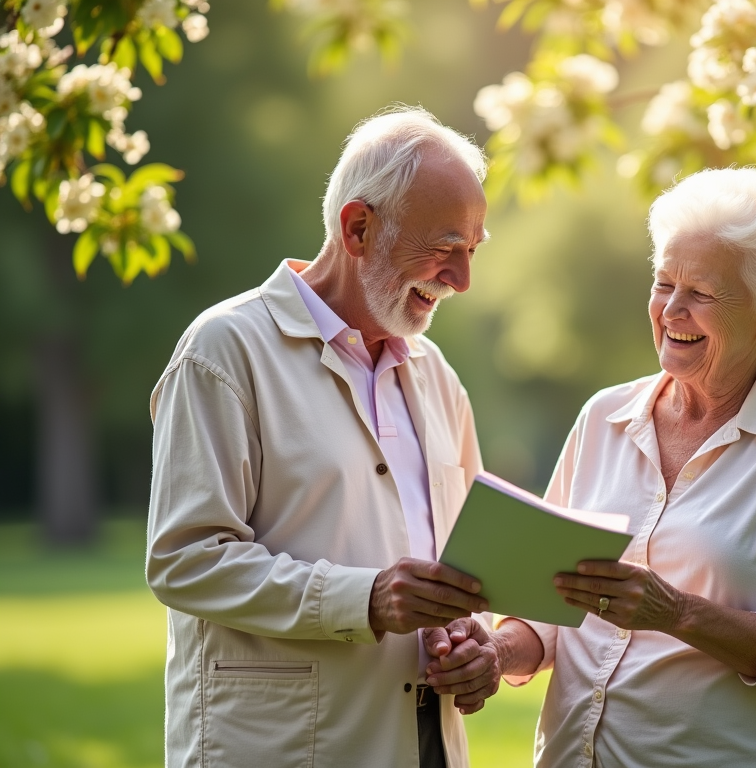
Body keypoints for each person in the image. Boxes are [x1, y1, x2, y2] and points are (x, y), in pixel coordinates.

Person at [427, 167, 756, 767]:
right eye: (664, 285)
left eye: (703, 294)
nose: (672, 311)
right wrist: (499, 650)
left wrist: (678, 613)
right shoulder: (602, 416)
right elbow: (550, 606)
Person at [146, 106, 500, 768]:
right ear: (358, 227)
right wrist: (364, 598)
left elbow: (464, 566)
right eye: (445, 248)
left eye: (472, 252)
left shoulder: (437, 376)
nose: (461, 279)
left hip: (428, 746)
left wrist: (476, 644)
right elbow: (184, 561)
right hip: (285, 748)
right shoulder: (224, 351)